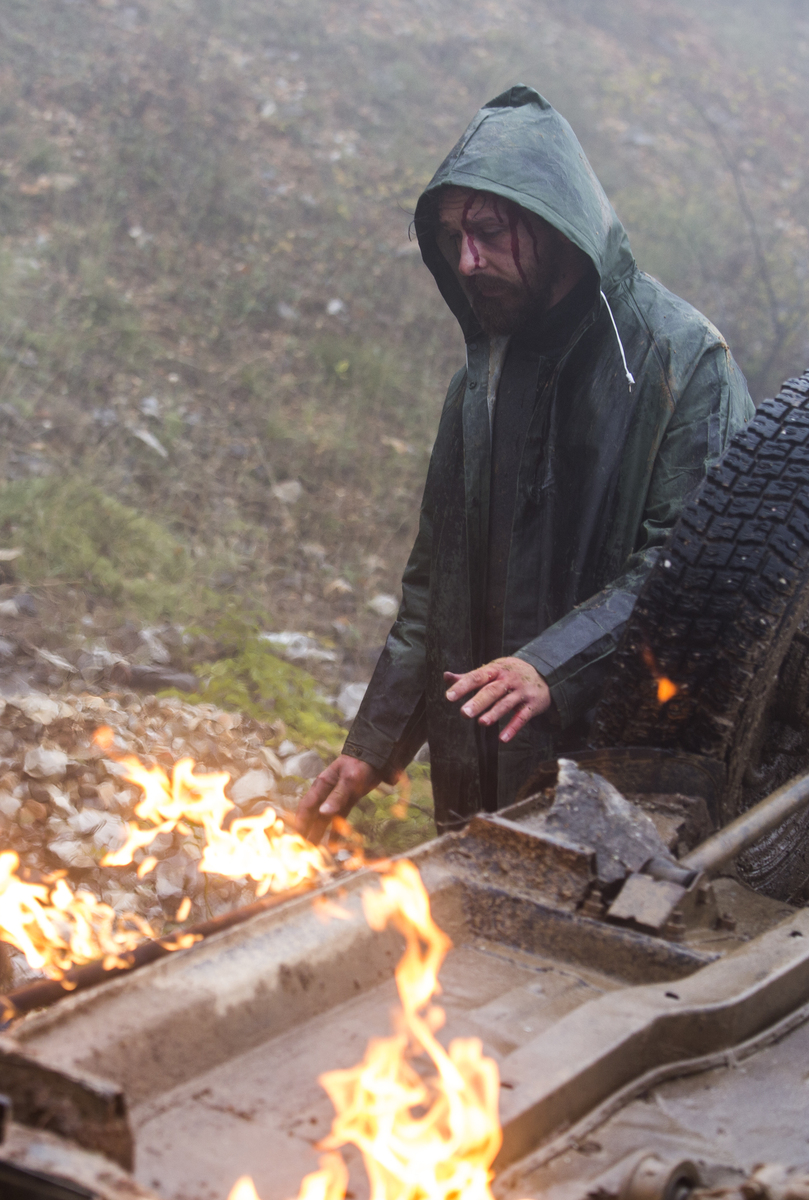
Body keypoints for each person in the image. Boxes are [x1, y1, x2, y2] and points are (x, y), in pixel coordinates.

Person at [297, 86, 754, 838]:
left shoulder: (679, 362)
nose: (467, 260)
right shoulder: (480, 381)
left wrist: (554, 664)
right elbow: (434, 587)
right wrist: (374, 747)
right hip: (478, 777)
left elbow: (691, 570)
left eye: (487, 232)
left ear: (557, 227)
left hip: (624, 779)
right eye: (453, 238)